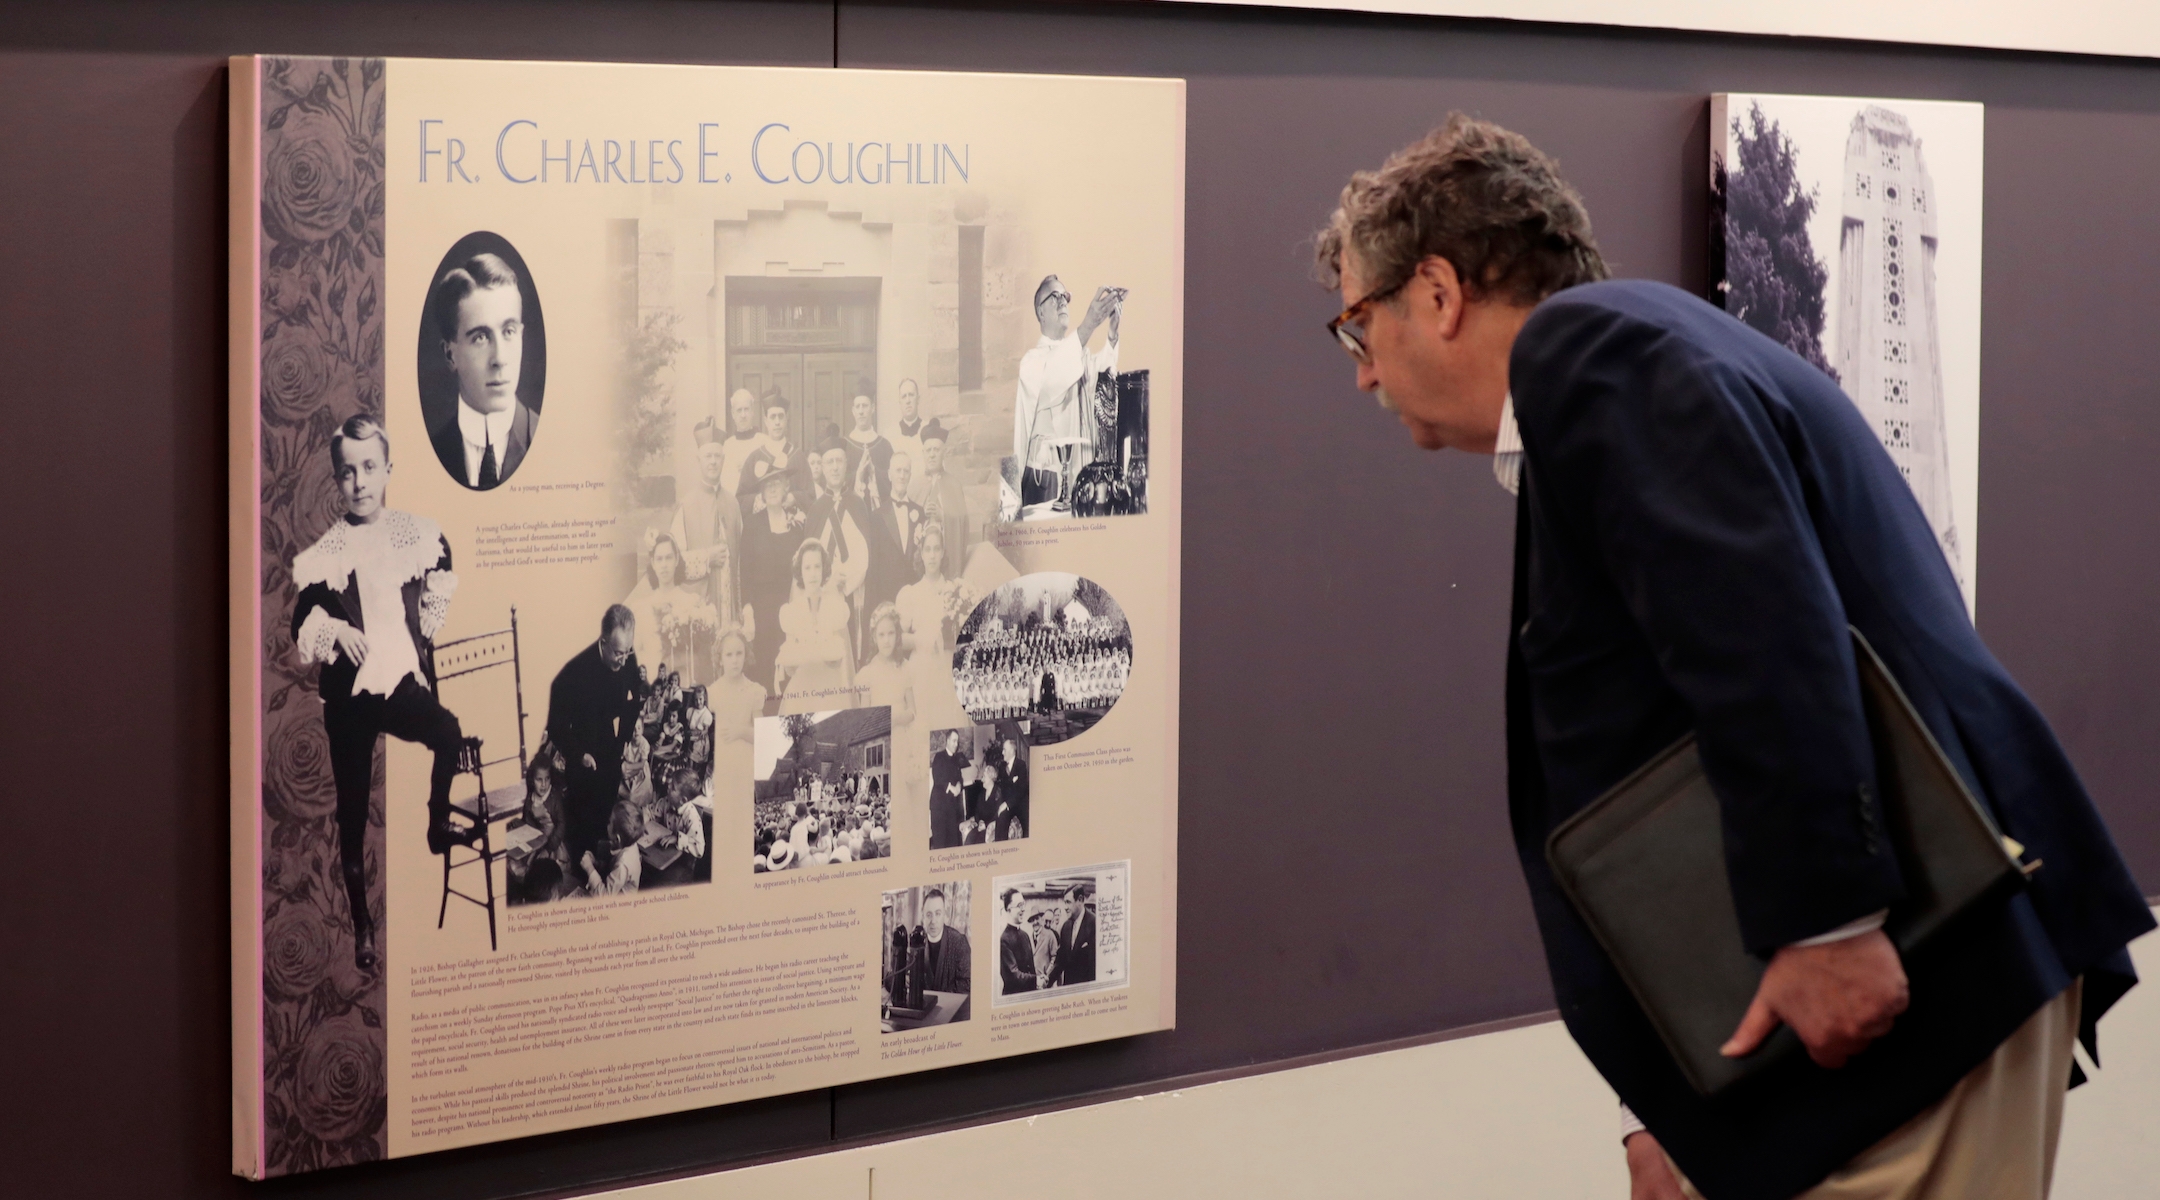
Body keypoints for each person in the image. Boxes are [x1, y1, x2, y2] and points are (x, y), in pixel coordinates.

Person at [1316, 114, 2153, 1200]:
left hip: (1907, 984)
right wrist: (1665, 1100)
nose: (1363, 377)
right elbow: (1683, 727)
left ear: (1435, 292)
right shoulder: (1648, 350)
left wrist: (1827, 926)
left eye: (1354, 327)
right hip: (1890, 1002)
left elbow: (1765, 636)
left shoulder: (1590, 357)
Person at [290, 415, 468, 970]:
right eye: (348, 473)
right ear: (337, 480)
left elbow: (441, 562)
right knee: (352, 812)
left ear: (388, 469)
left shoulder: (412, 533)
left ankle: (437, 822)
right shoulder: (327, 552)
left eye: (370, 468)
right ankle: (363, 926)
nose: (360, 482)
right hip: (350, 696)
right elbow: (302, 617)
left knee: (449, 731)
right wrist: (336, 630)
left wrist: (423, 624)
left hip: (396, 682)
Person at [547, 605, 647, 877]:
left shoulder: (627, 656)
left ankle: (605, 870)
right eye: (618, 653)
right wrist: (578, 753)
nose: (624, 661)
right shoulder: (573, 674)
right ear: (603, 643)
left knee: (606, 816)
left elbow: (635, 698)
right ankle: (584, 874)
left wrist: (625, 737)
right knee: (583, 823)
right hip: (582, 758)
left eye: (628, 652)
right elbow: (555, 725)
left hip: (610, 750)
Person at [426, 253, 537, 490]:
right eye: (481, 337)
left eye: (508, 331)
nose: (499, 358)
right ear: (450, 354)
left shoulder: (550, 441)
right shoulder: (429, 453)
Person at [1014, 274, 1122, 509]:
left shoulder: (1077, 354)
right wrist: (1088, 325)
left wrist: (1112, 335)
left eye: (1065, 296)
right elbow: (1054, 379)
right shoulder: (1032, 362)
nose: (1063, 301)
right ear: (1040, 312)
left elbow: (1102, 385)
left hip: (1080, 473)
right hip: (1046, 477)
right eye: (1054, 296)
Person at [669, 416, 750, 671]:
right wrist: (706, 558)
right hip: (701, 611)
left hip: (731, 611)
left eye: (717, 456)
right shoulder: (687, 505)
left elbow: (742, 562)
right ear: (699, 460)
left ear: (723, 460)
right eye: (708, 456)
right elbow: (673, 564)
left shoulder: (733, 504)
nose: (713, 461)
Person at [738, 467, 805, 693]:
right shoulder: (752, 525)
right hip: (762, 612)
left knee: (789, 672)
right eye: (768, 485)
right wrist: (748, 612)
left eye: (777, 482)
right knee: (765, 672)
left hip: (790, 608)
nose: (773, 488)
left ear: (786, 486)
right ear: (762, 493)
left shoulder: (796, 526)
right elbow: (744, 573)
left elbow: (801, 574)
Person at [625, 531, 717, 689]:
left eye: (669, 557)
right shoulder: (641, 608)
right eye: (659, 559)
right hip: (653, 687)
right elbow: (635, 656)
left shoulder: (692, 604)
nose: (664, 564)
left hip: (684, 685)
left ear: (676, 560)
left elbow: (701, 656)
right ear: (653, 564)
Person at [774, 539, 855, 711]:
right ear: (800, 572)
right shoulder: (791, 612)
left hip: (830, 688)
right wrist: (795, 658)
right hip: (803, 690)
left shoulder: (835, 607)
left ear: (824, 570)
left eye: (817, 567)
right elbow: (790, 669)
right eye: (807, 568)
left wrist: (826, 654)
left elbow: (838, 660)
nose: (812, 573)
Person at [707, 628, 767, 802]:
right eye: (729, 655)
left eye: (739, 653)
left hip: (745, 767)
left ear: (745, 655)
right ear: (720, 659)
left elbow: (762, 736)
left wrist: (740, 731)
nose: (734, 660)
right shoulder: (713, 693)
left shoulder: (753, 691)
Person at [909, 421, 972, 573]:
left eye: (936, 450)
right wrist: (922, 515)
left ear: (943, 452)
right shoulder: (914, 486)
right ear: (923, 453)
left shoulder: (954, 485)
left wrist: (942, 514)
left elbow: (962, 524)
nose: (932, 454)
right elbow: (907, 526)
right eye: (928, 450)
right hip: (921, 565)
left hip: (947, 562)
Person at [736, 394, 807, 516]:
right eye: (773, 417)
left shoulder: (798, 456)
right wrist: (759, 499)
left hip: (793, 528)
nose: (777, 422)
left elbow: (810, 495)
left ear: (786, 419)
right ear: (766, 421)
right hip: (762, 529)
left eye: (781, 416)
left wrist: (795, 497)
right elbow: (741, 498)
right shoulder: (755, 458)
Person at [717, 388, 767, 507]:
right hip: (732, 508)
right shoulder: (726, 446)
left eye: (746, 409)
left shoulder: (764, 442)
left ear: (752, 412)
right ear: (733, 414)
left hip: (759, 509)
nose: (743, 415)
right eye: (739, 410)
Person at [919, 888, 971, 1003]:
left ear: (944, 915)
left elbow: (967, 983)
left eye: (938, 914)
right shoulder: (916, 942)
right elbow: (893, 976)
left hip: (952, 1010)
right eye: (928, 915)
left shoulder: (959, 942)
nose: (933, 920)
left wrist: (940, 999)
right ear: (923, 916)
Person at [842, 391, 893, 498]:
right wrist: (858, 475)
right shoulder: (844, 445)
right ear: (853, 411)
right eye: (857, 406)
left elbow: (892, 480)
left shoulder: (884, 446)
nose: (861, 411)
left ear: (873, 408)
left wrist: (874, 473)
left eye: (865, 406)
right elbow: (839, 482)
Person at [928, 728, 967, 850]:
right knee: (940, 843)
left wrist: (959, 787)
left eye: (957, 742)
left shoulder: (956, 759)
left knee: (953, 842)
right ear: (948, 741)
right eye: (954, 741)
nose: (956, 744)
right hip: (938, 807)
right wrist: (952, 788)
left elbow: (960, 778)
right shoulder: (939, 757)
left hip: (951, 808)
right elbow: (938, 778)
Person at [1051, 884, 1095, 987]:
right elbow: (1060, 961)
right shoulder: (1065, 927)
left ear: (1080, 900)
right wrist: (1046, 981)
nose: (1065, 907)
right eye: (1064, 902)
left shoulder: (1095, 924)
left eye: (1068, 902)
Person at [998, 887, 1038, 996]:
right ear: (1009, 910)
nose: (1023, 909)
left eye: (1023, 904)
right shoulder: (1003, 940)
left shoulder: (1025, 935)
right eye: (1019, 905)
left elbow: (1031, 969)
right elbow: (1013, 976)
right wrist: (1036, 980)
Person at [890, 378, 926, 491]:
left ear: (918, 399)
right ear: (899, 402)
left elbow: (939, 473)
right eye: (904, 396)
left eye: (911, 395)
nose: (908, 400)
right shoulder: (890, 434)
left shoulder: (929, 430)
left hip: (924, 499)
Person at [991, 734, 1028, 841]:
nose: (1002, 753)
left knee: (1029, 824)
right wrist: (1002, 805)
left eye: (1004, 750)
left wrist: (1007, 803)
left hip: (1021, 804)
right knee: (1001, 819)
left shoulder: (1021, 765)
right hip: (1008, 805)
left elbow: (1021, 790)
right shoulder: (1002, 767)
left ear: (1012, 751)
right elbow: (1003, 789)